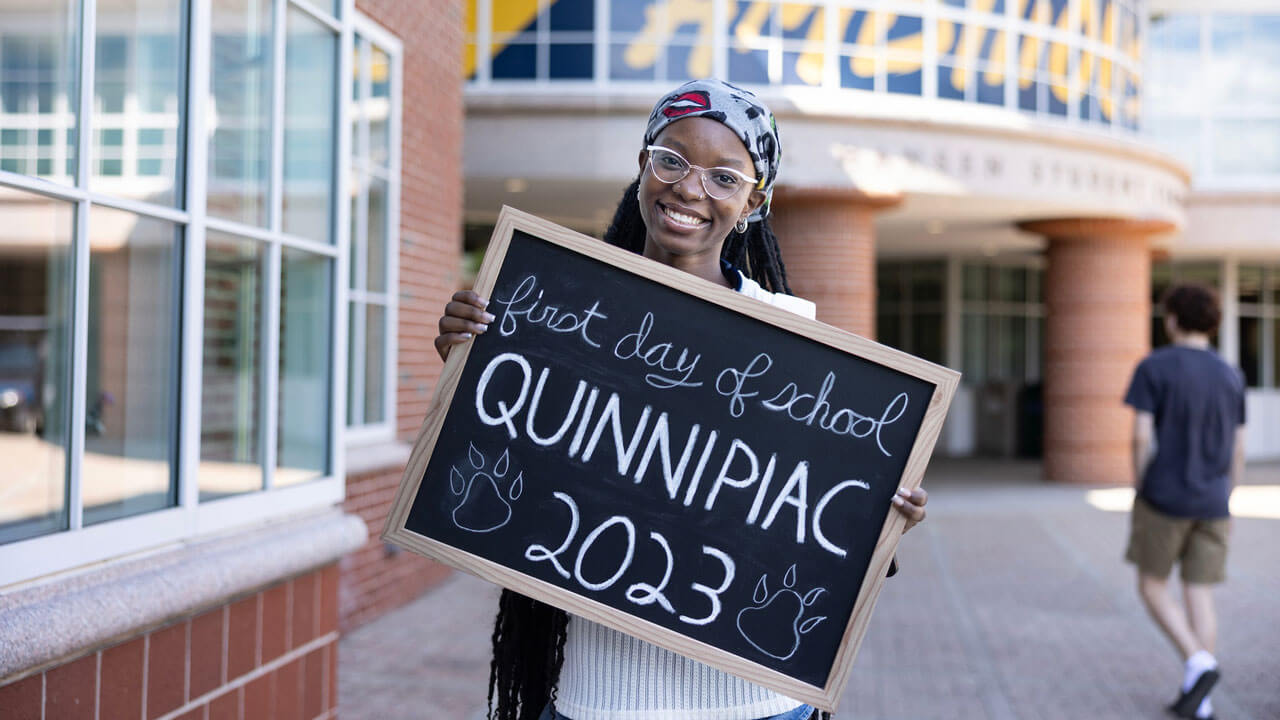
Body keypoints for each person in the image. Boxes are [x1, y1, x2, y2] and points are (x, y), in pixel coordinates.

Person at [434, 79, 928, 720]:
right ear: (643, 165)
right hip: (604, 699)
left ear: (754, 202)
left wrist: (883, 516)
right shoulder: (556, 310)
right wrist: (470, 376)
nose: (692, 189)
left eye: (725, 177)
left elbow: (809, 527)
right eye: (673, 160)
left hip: (758, 700)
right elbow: (508, 487)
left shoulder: (792, 337)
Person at [1123, 284, 1246, 720]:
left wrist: (1140, 485)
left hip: (1164, 498)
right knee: (1200, 594)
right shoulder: (1231, 374)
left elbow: (1140, 435)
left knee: (1152, 586)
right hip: (1214, 500)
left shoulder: (1154, 366)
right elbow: (1237, 447)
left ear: (1173, 318)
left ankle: (1200, 664)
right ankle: (1202, 699)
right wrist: (1228, 499)